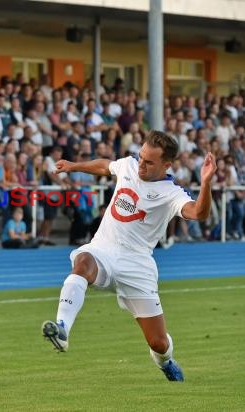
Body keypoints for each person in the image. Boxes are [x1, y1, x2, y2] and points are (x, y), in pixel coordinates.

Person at [41, 130, 216, 382]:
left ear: (166, 165)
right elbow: (105, 166)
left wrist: (206, 182)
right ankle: (62, 329)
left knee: (158, 342)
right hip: (104, 249)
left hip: (137, 265)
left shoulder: (171, 193)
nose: (141, 164)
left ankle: (166, 362)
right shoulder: (130, 165)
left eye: (149, 162)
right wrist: (73, 166)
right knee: (82, 263)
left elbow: (199, 213)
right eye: (140, 157)